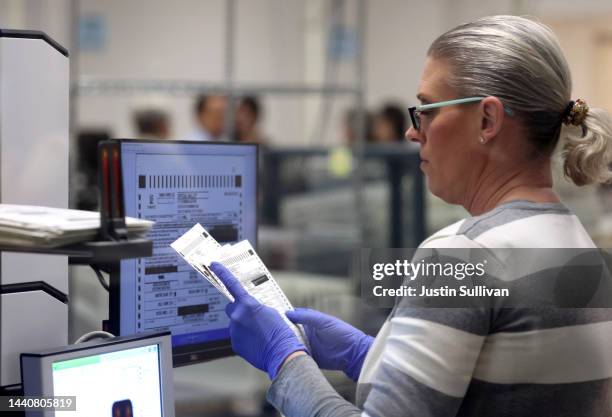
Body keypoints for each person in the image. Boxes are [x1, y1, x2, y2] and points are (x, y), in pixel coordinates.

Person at [209, 15, 612, 417]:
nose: (412, 132)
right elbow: (504, 385)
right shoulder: (576, 243)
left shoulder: (464, 255)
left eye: (427, 110)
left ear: (487, 120)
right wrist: (364, 354)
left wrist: (285, 360)